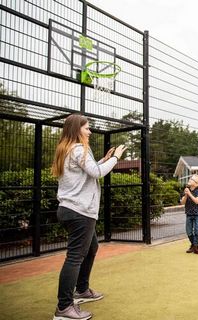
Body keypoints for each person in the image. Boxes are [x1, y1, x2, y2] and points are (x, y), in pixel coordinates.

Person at [51, 114, 127, 320]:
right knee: (75, 257)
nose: (90, 131)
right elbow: (97, 173)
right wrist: (115, 158)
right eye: (87, 128)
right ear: (77, 130)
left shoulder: (67, 149)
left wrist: (102, 159)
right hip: (79, 212)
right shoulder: (77, 148)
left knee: (92, 247)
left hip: (71, 209)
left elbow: (88, 170)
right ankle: (64, 307)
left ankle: (82, 290)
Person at [181, 174, 198, 255]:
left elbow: (197, 201)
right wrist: (186, 194)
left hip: (197, 214)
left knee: (197, 231)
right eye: (190, 178)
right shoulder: (186, 190)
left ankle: (196, 247)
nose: (190, 180)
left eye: (192, 179)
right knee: (189, 231)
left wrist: (190, 194)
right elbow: (182, 202)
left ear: (197, 184)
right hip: (188, 214)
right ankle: (193, 245)